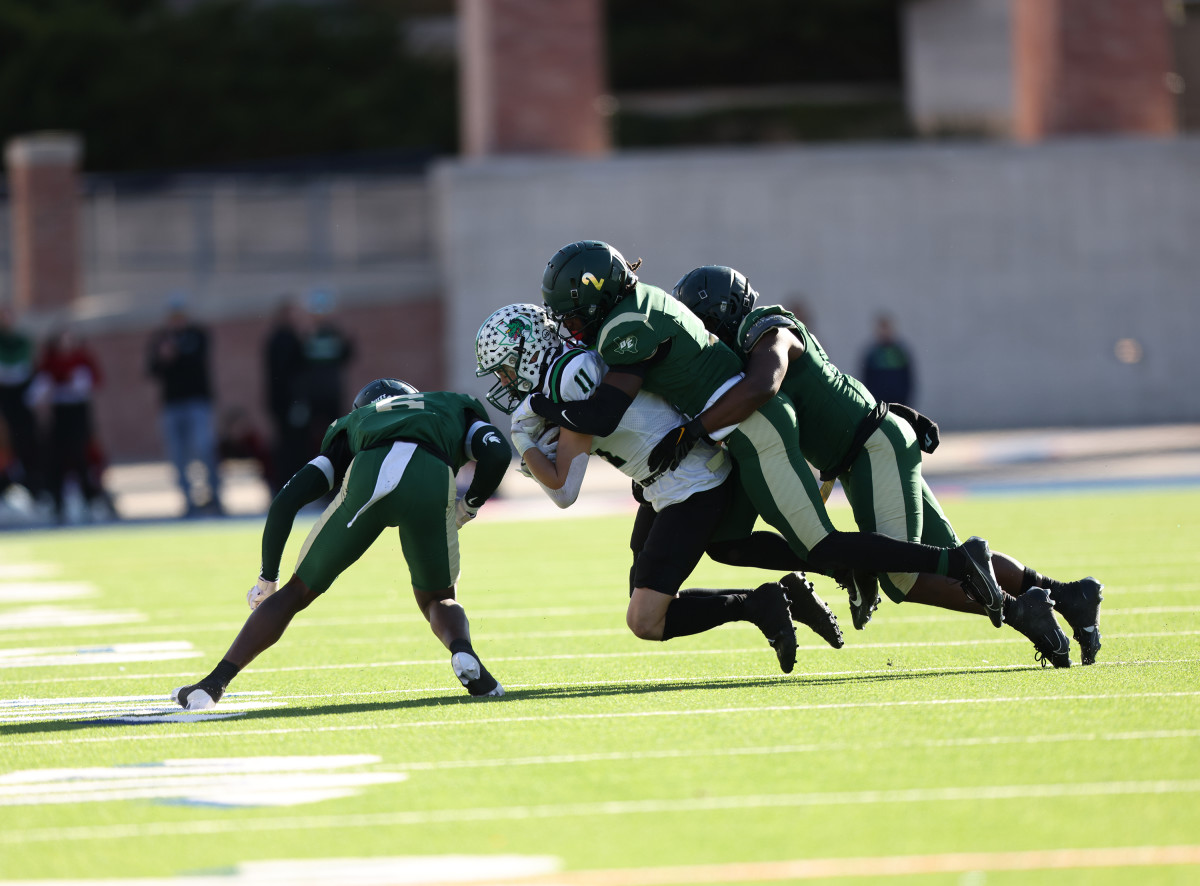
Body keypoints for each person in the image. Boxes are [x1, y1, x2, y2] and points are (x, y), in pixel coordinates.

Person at [529, 240, 1011, 655]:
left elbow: (603, 415)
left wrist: (536, 408)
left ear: (598, 295)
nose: (571, 325)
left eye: (573, 314)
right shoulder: (639, 308)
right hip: (741, 430)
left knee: (819, 542)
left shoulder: (623, 327)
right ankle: (851, 569)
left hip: (753, 428)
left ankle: (952, 560)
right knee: (733, 544)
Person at [670, 265, 1101, 666]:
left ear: (717, 312)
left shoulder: (765, 328)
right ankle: (1069, 595)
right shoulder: (752, 338)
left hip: (872, 449)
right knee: (947, 555)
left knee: (903, 578)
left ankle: (1022, 612)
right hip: (868, 450)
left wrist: (695, 429)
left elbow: (766, 382)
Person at [476, 304, 844, 675]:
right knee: (646, 594)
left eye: (505, 370)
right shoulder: (571, 368)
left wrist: (522, 440)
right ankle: (780, 594)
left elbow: (563, 490)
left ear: (530, 352)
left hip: (689, 486)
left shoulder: (569, 381)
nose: (506, 382)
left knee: (645, 620)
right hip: (669, 484)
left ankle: (769, 599)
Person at [172, 377, 511, 710]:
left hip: (370, 470)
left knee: (296, 592)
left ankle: (213, 684)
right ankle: (463, 651)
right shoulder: (450, 406)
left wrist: (267, 577)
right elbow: (496, 453)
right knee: (438, 597)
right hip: (432, 475)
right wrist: (470, 505)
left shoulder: (354, 423)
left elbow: (286, 502)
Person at [146, 296, 223, 517]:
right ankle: (188, 500)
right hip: (172, 404)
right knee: (178, 454)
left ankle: (215, 496)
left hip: (197, 401)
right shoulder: (160, 338)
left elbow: (197, 360)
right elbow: (152, 369)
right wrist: (163, 357)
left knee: (203, 447)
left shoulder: (197, 335)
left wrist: (176, 354)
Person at [26, 328, 113, 523]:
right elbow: (36, 392)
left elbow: (95, 381)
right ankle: (58, 503)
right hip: (60, 416)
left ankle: (90, 501)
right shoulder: (49, 362)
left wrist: (77, 382)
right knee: (56, 459)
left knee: (82, 458)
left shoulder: (82, 359)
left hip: (79, 416)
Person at [263, 296, 311, 494]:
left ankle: (287, 487)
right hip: (290, 402)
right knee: (293, 446)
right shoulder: (286, 339)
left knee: (289, 445)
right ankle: (293, 487)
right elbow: (291, 373)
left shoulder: (278, 338)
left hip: (284, 402)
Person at [300, 290, 355, 451]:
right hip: (315, 391)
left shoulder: (334, 334)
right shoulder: (309, 335)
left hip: (331, 390)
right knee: (313, 432)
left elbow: (345, 356)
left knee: (336, 427)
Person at [0, 305, 42, 502]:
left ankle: (34, 488)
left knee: (26, 440)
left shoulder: (21, 341)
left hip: (19, 399)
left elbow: (21, 364)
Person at [860, 312, 915, 406]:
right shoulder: (873, 353)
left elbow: (907, 377)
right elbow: (866, 378)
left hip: (899, 401)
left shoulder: (899, 352)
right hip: (878, 402)